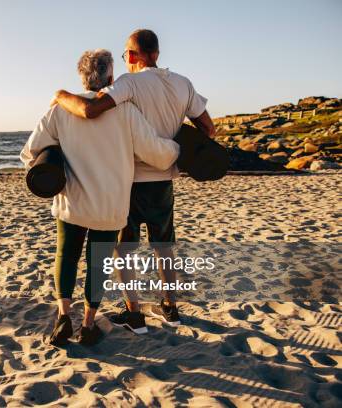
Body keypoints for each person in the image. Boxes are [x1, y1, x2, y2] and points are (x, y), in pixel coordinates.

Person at [52, 29, 215, 331]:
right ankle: (170, 306)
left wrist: (61, 97)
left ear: (135, 54)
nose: (125, 58)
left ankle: (133, 311)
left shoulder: (128, 83)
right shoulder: (182, 83)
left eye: (126, 53)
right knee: (163, 245)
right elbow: (208, 128)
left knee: (123, 248)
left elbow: (91, 110)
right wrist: (181, 150)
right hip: (164, 179)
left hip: (129, 180)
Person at [20, 49, 180, 346]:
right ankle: (88, 323)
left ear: (82, 78)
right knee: (98, 263)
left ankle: (63, 316)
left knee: (66, 256)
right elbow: (154, 152)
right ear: (109, 77)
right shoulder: (126, 111)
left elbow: (30, 153)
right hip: (109, 205)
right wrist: (177, 149)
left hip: (73, 201)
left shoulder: (60, 110)